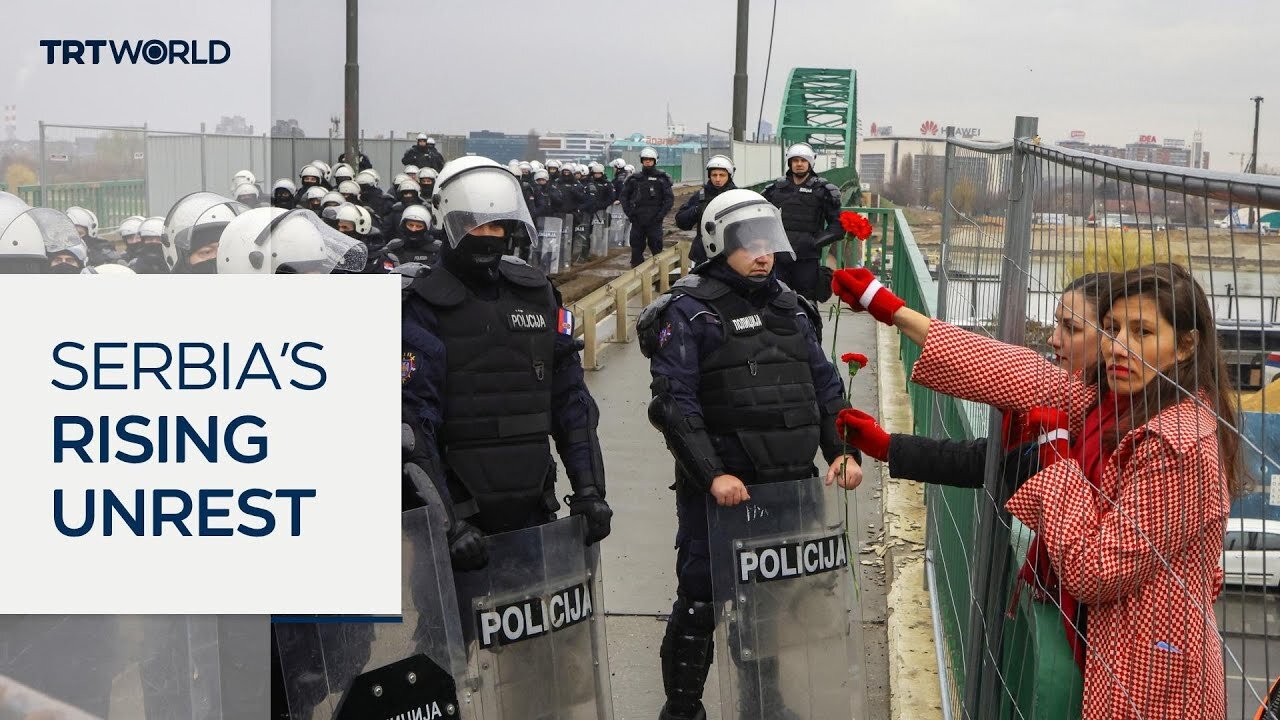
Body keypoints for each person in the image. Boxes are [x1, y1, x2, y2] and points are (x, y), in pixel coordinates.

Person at [833, 263, 1239, 720]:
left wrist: (1057, 461)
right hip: (1115, 649)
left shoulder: (1177, 445)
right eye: (1111, 329)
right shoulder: (1121, 400)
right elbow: (1013, 370)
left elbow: (1094, 570)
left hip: (1148, 680)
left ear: (1186, 345)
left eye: (1141, 332)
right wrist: (889, 308)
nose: (1118, 346)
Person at [638, 188, 862, 720]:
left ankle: (764, 701)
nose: (764, 254)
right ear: (718, 244)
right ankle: (683, 707)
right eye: (750, 244)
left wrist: (842, 451)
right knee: (701, 600)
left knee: (770, 602)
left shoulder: (790, 306)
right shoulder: (690, 312)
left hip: (789, 483)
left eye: (769, 242)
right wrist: (713, 475)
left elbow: (826, 387)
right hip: (721, 493)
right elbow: (675, 407)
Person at [401, 156, 611, 572]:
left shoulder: (535, 292)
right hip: (461, 519)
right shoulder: (420, 303)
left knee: (548, 636)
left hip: (535, 508)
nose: (488, 236)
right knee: (450, 635)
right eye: (475, 226)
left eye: (496, 226)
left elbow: (571, 403)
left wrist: (590, 490)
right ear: (449, 223)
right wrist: (446, 525)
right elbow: (411, 428)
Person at [761, 143, 841, 302]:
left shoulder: (824, 191)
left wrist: (814, 243)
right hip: (779, 258)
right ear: (789, 163)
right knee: (777, 302)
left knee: (807, 304)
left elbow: (838, 226)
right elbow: (760, 219)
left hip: (807, 259)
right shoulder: (774, 190)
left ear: (810, 162)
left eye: (803, 160)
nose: (799, 164)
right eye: (795, 160)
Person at [675, 154, 737, 266]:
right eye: (714, 175)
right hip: (703, 255)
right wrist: (696, 210)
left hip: (730, 254)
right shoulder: (700, 196)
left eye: (722, 175)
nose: (717, 179)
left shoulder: (737, 196)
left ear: (729, 175)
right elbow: (681, 222)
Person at [619, 147, 674, 267]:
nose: (648, 162)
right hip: (637, 220)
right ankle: (636, 275)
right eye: (645, 159)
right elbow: (624, 197)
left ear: (655, 161)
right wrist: (630, 213)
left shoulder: (662, 179)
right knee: (636, 248)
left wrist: (660, 216)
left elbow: (669, 199)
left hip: (654, 221)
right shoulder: (634, 179)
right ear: (642, 161)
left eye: (650, 159)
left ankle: (660, 274)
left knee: (656, 248)